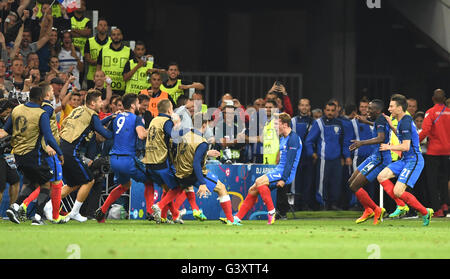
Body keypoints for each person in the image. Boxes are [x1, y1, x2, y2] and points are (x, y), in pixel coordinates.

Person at [153, 112, 235, 225]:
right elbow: (196, 163)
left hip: (178, 172)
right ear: (205, 125)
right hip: (193, 174)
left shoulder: (182, 134)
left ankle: (160, 207)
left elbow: (182, 151)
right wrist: (202, 183)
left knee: (177, 188)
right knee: (221, 188)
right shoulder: (202, 142)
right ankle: (231, 220)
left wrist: (206, 153)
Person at [0, 86, 63, 225]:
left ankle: (15, 207)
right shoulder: (41, 113)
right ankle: (38, 218)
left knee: (31, 183)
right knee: (46, 184)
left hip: (18, 156)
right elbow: (49, 137)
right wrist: (60, 153)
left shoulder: (17, 109)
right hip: (34, 155)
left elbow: (3, 132)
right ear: (41, 98)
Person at [94, 93, 155, 223]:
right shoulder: (136, 118)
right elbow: (141, 135)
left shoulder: (116, 117)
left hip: (114, 160)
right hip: (128, 159)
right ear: (133, 105)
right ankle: (150, 212)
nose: (139, 105)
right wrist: (154, 128)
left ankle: (103, 210)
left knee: (125, 185)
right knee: (149, 181)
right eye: (138, 103)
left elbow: (104, 135)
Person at [232, 113, 302, 225]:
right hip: (278, 170)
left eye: (276, 124)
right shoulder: (283, 137)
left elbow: (290, 162)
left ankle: (271, 212)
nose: (274, 127)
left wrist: (284, 179)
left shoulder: (293, 139)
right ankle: (237, 218)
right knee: (252, 190)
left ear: (284, 124)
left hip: (284, 173)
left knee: (259, 182)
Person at [377, 94, 434, 226]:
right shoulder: (403, 120)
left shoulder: (406, 121)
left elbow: (406, 146)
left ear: (399, 108)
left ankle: (425, 212)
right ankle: (401, 206)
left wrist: (388, 147)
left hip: (414, 160)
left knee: (398, 191)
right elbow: (403, 136)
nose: (389, 109)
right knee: (381, 176)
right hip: (406, 159)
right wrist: (392, 126)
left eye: (391, 106)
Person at [58, 89, 114, 222]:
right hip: (71, 151)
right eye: (100, 100)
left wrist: (109, 118)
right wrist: (117, 131)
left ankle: (49, 205)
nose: (102, 103)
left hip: (62, 148)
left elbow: (94, 124)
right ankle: (74, 212)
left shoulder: (79, 110)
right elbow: (105, 134)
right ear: (93, 104)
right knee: (89, 180)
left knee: (74, 183)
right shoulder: (92, 116)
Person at [347, 99, 391, 224]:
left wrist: (362, 143)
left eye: (370, 109)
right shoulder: (379, 120)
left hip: (380, 158)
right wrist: (365, 121)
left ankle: (376, 209)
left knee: (355, 185)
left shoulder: (381, 120)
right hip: (374, 156)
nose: (367, 110)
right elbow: (377, 126)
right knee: (351, 182)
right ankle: (369, 210)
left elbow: (381, 137)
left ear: (377, 111)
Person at [305, 101, 351, 210]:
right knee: (321, 182)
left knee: (336, 182)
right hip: (323, 158)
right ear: (324, 110)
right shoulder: (319, 123)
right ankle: (322, 204)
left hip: (336, 159)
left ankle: (334, 204)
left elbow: (344, 142)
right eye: (328, 110)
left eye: (332, 110)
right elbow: (309, 141)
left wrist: (346, 156)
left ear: (337, 111)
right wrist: (313, 154)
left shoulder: (339, 123)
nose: (330, 112)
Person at [142, 99, 181, 223]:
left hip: (149, 161)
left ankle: (173, 215)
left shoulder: (154, 120)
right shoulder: (167, 122)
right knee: (177, 187)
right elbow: (175, 137)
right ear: (170, 110)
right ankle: (158, 206)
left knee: (167, 189)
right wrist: (177, 123)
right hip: (161, 161)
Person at [419, 89, 450, 217]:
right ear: (444, 99)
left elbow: (425, 131)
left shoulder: (430, 112)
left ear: (433, 99)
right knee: (444, 180)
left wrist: (415, 142)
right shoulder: (449, 112)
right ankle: (445, 205)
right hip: (447, 152)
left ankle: (437, 209)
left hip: (433, 152)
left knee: (432, 181)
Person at [96, 27, 134, 96]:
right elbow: (98, 66)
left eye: (118, 34)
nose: (116, 36)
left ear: (122, 36)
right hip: (105, 87)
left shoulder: (129, 51)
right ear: (110, 37)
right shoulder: (103, 50)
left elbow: (134, 65)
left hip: (122, 87)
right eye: (114, 35)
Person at [291, 98, 314, 210]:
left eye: (306, 105)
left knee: (308, 181)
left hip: (308, 156)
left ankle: (306, 204)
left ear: (309, 107)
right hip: (296, 156)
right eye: (302, 105)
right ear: (298, 107)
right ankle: (295, 204)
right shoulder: (293, 121)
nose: (304, 107)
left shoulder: (314, 122)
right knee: (295, 180)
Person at [84, 17, 111, 89]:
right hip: (92, 77)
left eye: (105, 25)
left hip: (106, 77)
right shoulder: (89, 41)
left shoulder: (111, 42)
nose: (103, 27)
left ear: (107, 28)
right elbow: (87, 58)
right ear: (97, 27)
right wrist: (99, 62)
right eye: (101, 25)